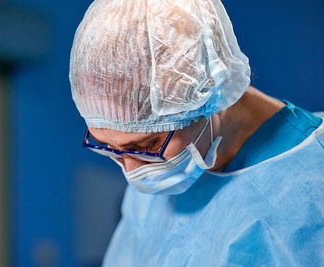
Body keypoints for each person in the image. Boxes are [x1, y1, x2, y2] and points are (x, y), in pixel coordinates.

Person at [69, 0, 324, 265]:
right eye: (108, 146)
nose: (132, 171)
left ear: (205, 93)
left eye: (146, 145)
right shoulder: (157, 179)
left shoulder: (313, 188)